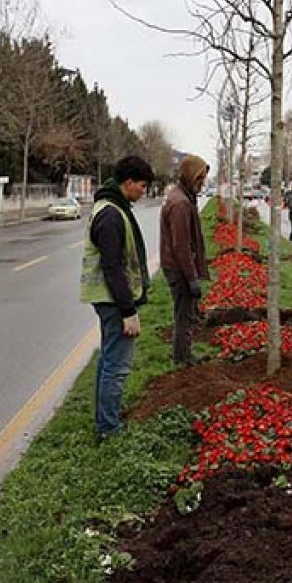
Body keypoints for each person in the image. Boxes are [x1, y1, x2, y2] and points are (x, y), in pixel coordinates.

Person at [79, 155, 154, 439]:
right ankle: (109, 429)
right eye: (143, 186)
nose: (144, 191)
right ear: (128, 182)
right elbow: (112, 267)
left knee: (108, 360)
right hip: (113, 301)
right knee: (116, 366)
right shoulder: (111, 214)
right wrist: (128, 311)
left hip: (108, 299)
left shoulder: (110, 207)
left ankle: (104, 421)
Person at [161, 155, 210, 366]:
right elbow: (181, 246)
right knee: (184, 315)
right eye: (199, 179)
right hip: (179, 269)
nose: (202, 184)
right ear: (190, 176)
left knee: (186, 312)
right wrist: (192, 279)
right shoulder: (180, 203)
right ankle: (182, 358)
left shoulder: (182, 197)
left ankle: (183, 354)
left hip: (177, 267)